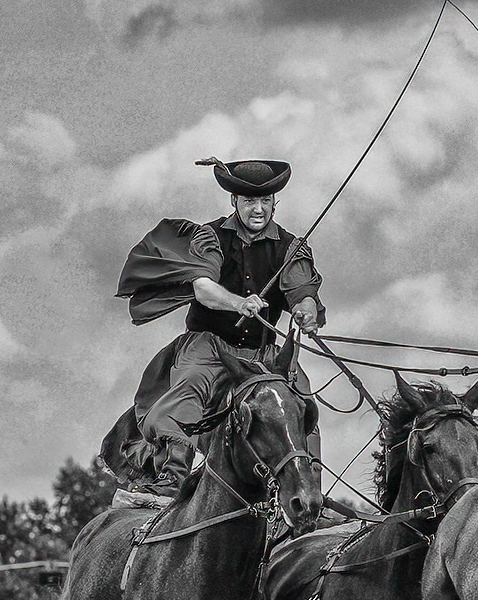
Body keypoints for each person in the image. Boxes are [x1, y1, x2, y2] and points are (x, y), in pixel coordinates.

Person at [106, 157, 326, 501]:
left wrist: (305, 311)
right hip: (210, 347)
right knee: (190, 385)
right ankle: (171, 478)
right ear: (234, 201)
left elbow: (303, 292)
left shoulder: (290, 247)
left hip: (265, 354)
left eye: (265, 201)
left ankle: (307, 494)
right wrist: (238, 303)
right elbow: (203, 288)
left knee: (299, 400)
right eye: (249, 201)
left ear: (275, 203)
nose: (258, 209)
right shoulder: (210, 237)